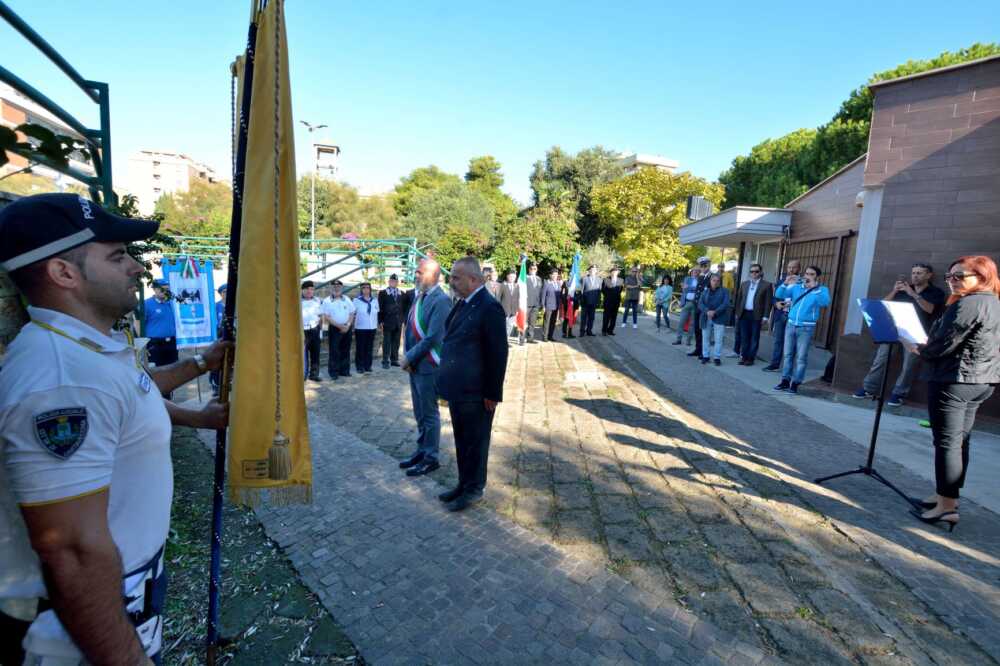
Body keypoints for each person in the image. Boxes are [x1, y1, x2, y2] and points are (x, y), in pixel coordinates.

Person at [0, 192, 229, 665]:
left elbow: (136, 395)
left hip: (126, 594)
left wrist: (202, 367)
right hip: (85, 623)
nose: (138, 269)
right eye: (119, 256)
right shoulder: (64, 378)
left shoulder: (83, 348)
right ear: (64, 274)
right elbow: (71, 552)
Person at [902, 256, 1000, 531]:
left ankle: (946, 506)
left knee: (947, 443)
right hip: (981, 380)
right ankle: (945, 496)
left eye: (960, 276)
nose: (952, 281)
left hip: (956, 380)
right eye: (950, 276)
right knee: (959, 442)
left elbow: (944, 343)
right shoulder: (993, 302)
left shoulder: (969, 303)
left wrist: (919, 349)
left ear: (982, 277)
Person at [437, 256, 509, 512]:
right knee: (462, 440)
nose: (451, 281)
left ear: (474, 279)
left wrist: (492, 393)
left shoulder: (489, 307)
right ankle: (463, 483)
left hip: (478, 393)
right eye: (452, 276)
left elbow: (498, 354)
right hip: (460, 390)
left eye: (456, 277)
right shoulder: (464, 303)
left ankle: (474, 489)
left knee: (476, 442)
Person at [853, 262, 946, 406]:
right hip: (895, 330)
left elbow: (930, 310)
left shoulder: (936, 292)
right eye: (913, 273)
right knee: (880, 360)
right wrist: (895, 291)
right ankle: (868, 389)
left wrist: (913, 294)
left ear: (929, 275)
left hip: (916, 333)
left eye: (919, 273)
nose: (915, 276)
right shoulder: (903, 290)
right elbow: (882, 305)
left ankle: (898, 394)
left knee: (909, 365)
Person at [400, 258, 451, 477]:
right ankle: (421, 450)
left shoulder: (441, 300)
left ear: (433, 274)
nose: (416, 275)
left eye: (420, 272)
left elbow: (432, 338)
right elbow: (410, 328)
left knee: (429, 414)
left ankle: (431, 457)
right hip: (415, 365)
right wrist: (409, 358)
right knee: (419, 412)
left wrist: (409, 357)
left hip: (429, 365)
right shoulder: (420, 296)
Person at [773, 265, 831, 394]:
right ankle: (785, 381)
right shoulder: (797, 287)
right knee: (787, 355)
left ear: (817, 277)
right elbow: (779, 294)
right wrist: (785, 283)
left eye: (811, 274)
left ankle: (796, 383)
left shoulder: (822, 290)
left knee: (801, 357)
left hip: (806, 327)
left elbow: (825, 302)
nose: (807, 276)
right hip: (791, 324)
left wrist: (813, 288)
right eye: (806, 273)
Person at [762, 258, 802, 372]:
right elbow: (773, 297)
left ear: (799, 269)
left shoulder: (803, 283)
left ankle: (788, 367)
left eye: (794, 267)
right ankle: (774, 364)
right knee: (778, 341)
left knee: (792, 343)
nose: (791, 270)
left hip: (793, 317)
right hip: (781, 315)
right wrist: (776, 303)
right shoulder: (781, 281)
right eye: (789, 267)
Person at [734, 264, 773, 366]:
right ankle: (743, 356)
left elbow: (768, 302)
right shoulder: (744, 284)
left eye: (756, 271)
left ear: (760, 272)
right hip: (744, 313)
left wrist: (766, 316)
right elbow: (739, 299)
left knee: (754, 337)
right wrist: (737, 313)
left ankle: (750, 358)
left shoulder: (767, 285)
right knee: (744, 336)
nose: (754, 273)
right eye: (752, 271)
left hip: (757, 314)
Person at [321, 279, 355, 380]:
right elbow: (326, 317)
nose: (336, 288)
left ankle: (344, 371)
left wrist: (348, 325)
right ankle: (334, 372)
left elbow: (352, 313)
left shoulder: (346, 299)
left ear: (342, 288)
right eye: (334, 287)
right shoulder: (327, 301)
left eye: (339, 287)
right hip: (335, 329)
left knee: (345, 350)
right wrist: (340, 326)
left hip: (347, 327)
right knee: (334, 351)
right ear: (331, 288)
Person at [143, 279, 178, 369]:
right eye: (161, 289)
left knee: (172, 370)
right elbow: (139, 323)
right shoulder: (146, 304)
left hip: (171, 343)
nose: (164, 291)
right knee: (155, 371)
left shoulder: (172, 304)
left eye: (167, 289)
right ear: (154, 289)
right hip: (154, 344)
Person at [699, 273, 731, 365]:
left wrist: (715, 312)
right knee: (705, 338)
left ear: (719, 282)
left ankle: (717, 357)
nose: (715, 282)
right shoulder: (705, 291)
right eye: (714, 280)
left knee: (719, 339)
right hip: (706, 317)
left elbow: (725, 304)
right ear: (710, 281)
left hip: (719, 317)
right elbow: (700, 304)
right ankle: (706, 356)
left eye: (717, 281)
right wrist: (707, 311)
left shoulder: (725, 291)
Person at [378, 273, 405, 368]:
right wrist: (380, 321)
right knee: (387, 341)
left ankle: (394, 359)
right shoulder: (383, 293)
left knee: (396, 342)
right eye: (392, 281)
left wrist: (402, 319)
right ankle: (385, 360)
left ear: (397, 282)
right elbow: (380, 308)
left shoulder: (401, 293)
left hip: (398, 321)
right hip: (387, 321)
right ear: (389, 282)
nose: (393, 282)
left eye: (395, 281)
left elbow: (404, 308)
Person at [352, 282, 379, 373]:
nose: (366, 289)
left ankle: (368, 365)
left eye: (368, 288)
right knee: (360, 348)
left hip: (372, 327)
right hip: (360, 327)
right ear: (361, 289)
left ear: (370, 289)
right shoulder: (356, 301)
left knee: (369, 347)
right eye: (364, 288)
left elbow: (376, 312)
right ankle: (359, 366)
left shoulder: (374, 300)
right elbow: (352, 313)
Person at [689, 257, 712, 358]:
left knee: (704, 330)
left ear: (709, 265)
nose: (703, 268)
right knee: (697, 329)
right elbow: (698, 292)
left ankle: (704, 352)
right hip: (697, 306)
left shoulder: (712, 277)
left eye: (705, 265)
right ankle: (698, 349)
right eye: (701, 266)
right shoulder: (701, 277)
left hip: (705, 308)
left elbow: (713, 293)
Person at [301, 280, 323, 382]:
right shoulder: (298, 301)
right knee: (303, 354)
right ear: (302, 290)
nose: (309, 291)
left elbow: (321, 316)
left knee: (315, 353)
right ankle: (303, 375)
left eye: (311, 289)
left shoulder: (317, 301)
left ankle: (314, 374)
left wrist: (321, 331)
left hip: (315, 329)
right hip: (303, 330)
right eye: (307, 289)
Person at [673, 268, 700, 345]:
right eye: (694, 271)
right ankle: (678, 339)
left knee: (692, 323)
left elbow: (698, 289)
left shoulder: (700, 280)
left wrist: (689, 287)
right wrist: (693, 288)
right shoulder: (687, 279)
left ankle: (688, 341)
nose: (696, 272)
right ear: (691, 272)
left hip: (695, 303)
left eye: (697, 271)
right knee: (681, 322)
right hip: (686, 302)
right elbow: (685, 289)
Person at [210, 283, 227, 395]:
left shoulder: (236, 305)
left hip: (232, 338)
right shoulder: (216, 307)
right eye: (224, 292)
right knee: (217, 361)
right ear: (220, 294)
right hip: (219, 338)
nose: (227, 294)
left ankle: (228, 383)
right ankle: (216, 384)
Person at [498, 269, 521, 343]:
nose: (512, 278)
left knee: (510, 326)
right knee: (504, 326)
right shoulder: (502, 285)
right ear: (507, 277)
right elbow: (498, 298)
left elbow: (518, 298)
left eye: (514, 277)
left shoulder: (517, 286)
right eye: (511, 277)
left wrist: (517, 309)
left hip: (513, 310)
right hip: (504, 310)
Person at [601, 267, 624, 335]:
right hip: (608, 301)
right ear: (611, 272)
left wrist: (615, 295)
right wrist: (608, 295)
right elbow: (603, 290)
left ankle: (610, 330)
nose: (614, 273)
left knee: (614, 317)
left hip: (616, 301)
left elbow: (620, 290)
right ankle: (604, 331)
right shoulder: (606, 280)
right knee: (606, 316)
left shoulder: (621, 280)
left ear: (618, 273)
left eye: (616, 272)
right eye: (613, 271)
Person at [580, 265, 602, 336]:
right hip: (585, 302)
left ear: (596, 271)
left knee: (591, 318)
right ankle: (582, 332)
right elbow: (581, 291)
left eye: (594, 269)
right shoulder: (584, 279)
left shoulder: (599, 279)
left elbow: (599, 292)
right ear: (589, 270)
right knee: (584, 318)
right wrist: (581, 301)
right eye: (592, 269)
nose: (593, 271)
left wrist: (598, 301)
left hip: (593, 302)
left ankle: (589, 331)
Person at [525, 262, 543, 343]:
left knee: (532, 322)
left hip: (536, 304)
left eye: (535, 269)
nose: (533, 270)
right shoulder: (525, 278)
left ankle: (530, 338)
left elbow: (540, 291)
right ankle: (521, 338)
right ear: (529, 269)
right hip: (526, 303)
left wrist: (540, 303)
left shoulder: (539, 279)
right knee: (524, 321)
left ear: (537, 270)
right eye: (531, 269)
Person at [541, 268, 562, 342]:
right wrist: (543, 306)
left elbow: (559, 296)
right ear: (550, 275)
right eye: (553, 274)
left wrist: (559, 306)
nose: (555, 276)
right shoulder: (547, 283)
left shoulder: (558, 284)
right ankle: (545, 337)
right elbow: (543, 295)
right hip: (548, 306)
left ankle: (550, 336)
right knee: (547, 322)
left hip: (556, 306)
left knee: (553, 322)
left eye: (556, 274)